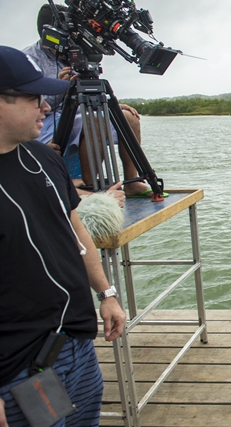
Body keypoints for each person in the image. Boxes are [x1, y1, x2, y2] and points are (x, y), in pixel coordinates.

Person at [0, 45, 126, 426]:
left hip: (74, 346)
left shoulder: (44, 159)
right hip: (19, 368)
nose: (46, 107)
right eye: (35, 97)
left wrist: (106, 294)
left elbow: (75, 228)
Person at [23, 4, 155, 204]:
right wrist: (59, 87)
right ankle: (91, 185)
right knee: (94, 121)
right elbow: (30, 104)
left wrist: (115, 106)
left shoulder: (74, 51)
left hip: (75, 113)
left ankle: (131, 182)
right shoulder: (29, 58)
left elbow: (88, 85)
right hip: (44, 120)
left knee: (129, 119)